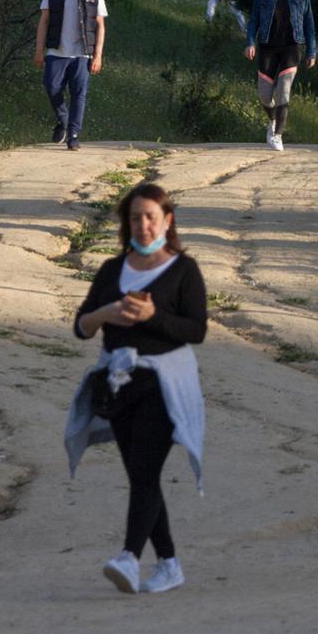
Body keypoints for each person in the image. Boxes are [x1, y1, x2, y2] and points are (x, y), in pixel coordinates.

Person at [65, 182, 207, 595]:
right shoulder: (112, 270)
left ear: (167, 220)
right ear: (126, 224)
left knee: (145, 472)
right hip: (117, 384)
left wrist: (151, 315)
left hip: (164, 384)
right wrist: (106, 313)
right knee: (141, 475)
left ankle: (129, 558)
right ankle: (169, 564)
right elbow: (80, 327)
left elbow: (196, 330)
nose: (143, 226)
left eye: (150, 217)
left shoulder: (184, 271)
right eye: (135, 218)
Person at [33, 0, 108, 151]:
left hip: (82, 53)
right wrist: (39, 50)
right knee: (51, 86)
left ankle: (73, 135)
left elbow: (100, 25)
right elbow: (44, 21)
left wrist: (98, 55)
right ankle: (63, 119)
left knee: (79, 93)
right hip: (56, 51)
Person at [244, 0, 316, 151]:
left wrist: (311, 51)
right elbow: (254, 21)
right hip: (267, 47)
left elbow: (309, 22)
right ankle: (272, 120)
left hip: (291, 48)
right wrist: (250, 42)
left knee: (284, 90)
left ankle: (277, 135)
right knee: (265, 96)